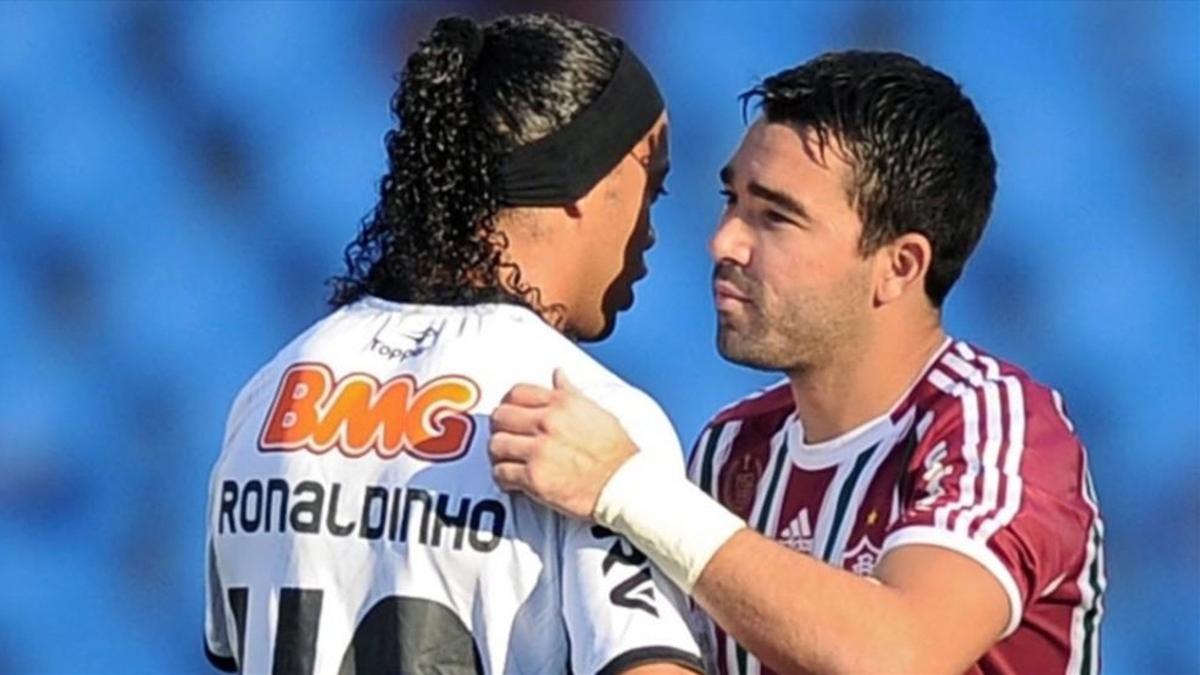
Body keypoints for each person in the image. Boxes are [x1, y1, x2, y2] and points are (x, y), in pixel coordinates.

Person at [489, 51, 1106, 675]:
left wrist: (627, 487)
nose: (724, 241)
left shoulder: (995, 426)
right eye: (732, 200)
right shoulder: (733, 449)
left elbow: (901, 655)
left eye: (775, 217)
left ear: (899, 266)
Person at [204, 14, 705, 675]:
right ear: (585, 179)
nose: (651, 231)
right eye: (652, 185)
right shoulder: (588, 424)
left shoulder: (268, 397)